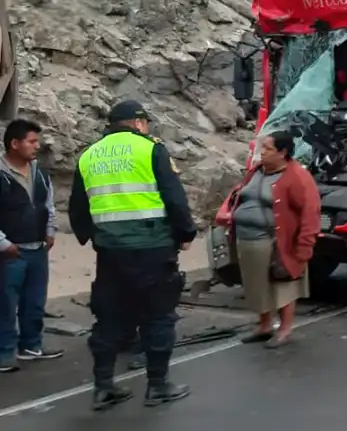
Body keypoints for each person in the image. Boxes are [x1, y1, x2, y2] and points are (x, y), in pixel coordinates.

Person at [68, 100, 197, 410]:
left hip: (111, 254)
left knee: (110, 318)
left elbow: (77, 209)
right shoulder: (150, 149)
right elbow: (173, 197)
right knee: (157, 316)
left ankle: (103, 387)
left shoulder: (89, 155)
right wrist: (185, 234)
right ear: (139, 123)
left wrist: (93, 237)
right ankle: (158, 385)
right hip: (152, 250)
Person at [229, 130, 319, 348]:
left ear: (283, 152)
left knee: (283, 285)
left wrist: (305, 246)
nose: (262, 153)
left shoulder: (297, 177)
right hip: (248, 239)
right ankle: (265, 325)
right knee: (256, 285)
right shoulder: (257, 171)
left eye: (267, 148)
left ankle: (285, 329)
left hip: (277, 241)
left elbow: (310, 213)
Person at [0, 119, 64, 373]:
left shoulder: (40, 172)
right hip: (10, 253)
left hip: (38, 249)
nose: (37, 146)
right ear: (15, 144)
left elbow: (48, 204)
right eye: (32, 141)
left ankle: (31, 346)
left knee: (34, 302)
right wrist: (4, 245)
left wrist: (50, 231)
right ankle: (5, 353)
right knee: (5, 304)